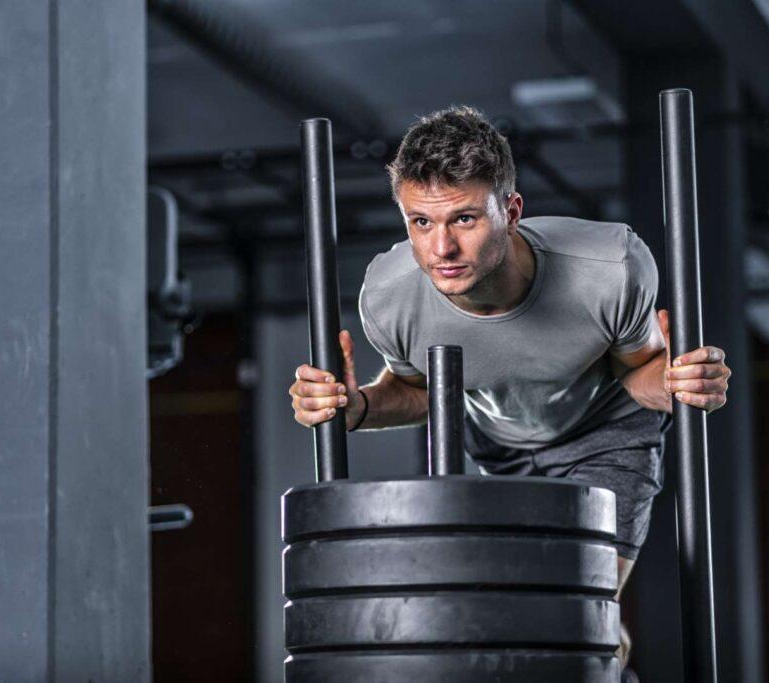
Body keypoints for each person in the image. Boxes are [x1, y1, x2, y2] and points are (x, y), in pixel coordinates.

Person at [287, 106, 730, 676]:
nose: (441, 248)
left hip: (606, 435)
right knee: (513, 617)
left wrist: (679, 381)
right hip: (496, 445)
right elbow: (419, 391)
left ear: (511, 210)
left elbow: (639, 373)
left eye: (465, 219)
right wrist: (358, 406)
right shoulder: (390, 295)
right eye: (421, 222)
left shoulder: (609, 268)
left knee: (580, 614)